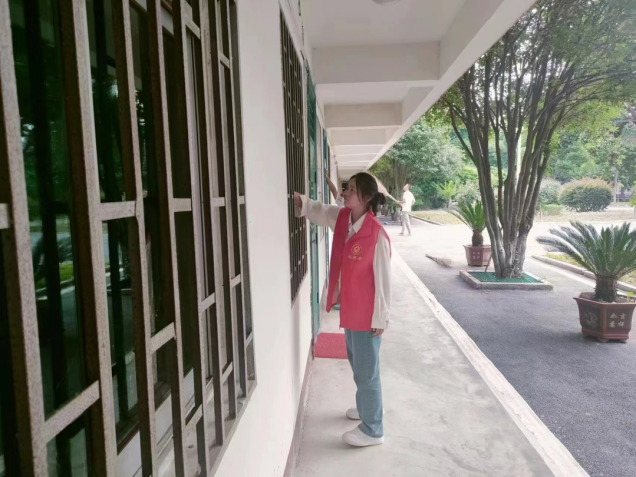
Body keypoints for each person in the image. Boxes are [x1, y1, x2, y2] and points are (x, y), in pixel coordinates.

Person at [294, 172, 391, 447]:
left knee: (367, 371)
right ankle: (366, 407)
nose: (345, 192)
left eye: (351, 189)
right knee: (358, 364)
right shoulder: (345, 219)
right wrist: (302, 202)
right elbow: (322, 211)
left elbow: (384, 281)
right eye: (346, 188)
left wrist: (381, 318)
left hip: (367, 315)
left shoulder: (376, 234)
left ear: (367, 198)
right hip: (351, 309)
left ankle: (373, 429)